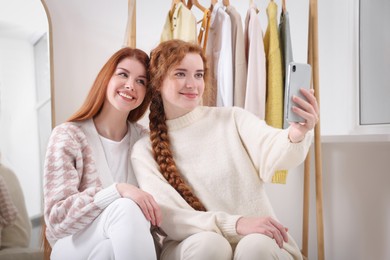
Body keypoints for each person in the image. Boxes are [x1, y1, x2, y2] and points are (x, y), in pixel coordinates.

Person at [130, 39, 319, 260]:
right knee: (210, 244)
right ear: (158, 82)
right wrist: (235, 224)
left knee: (255, 247)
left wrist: (296, 133)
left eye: (198, 75)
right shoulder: (144, 150)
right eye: (180, 74)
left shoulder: (231, 119)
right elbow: (170, 217)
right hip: (191, 245)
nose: (192, 84)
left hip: (257, 241)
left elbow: (272, 147)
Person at [43, 47, 161, 260]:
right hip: (73, 244)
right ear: (106, 78)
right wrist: (117, 191)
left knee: (109, 250)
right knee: (125, 207)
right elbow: (56, 219)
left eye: (141, 81)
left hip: (118, 245)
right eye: (123, 74)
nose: (130, 85)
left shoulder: (145, 141)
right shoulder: (68, 135)